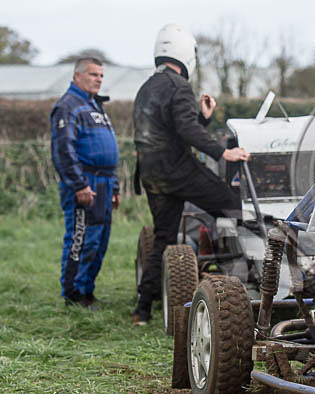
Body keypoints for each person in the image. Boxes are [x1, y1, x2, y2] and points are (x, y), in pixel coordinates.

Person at [131, 24, 250, 325]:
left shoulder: (146, 88)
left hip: (152, 177)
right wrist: (223, 152)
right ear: (186, 54)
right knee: (233, 205)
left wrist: (203, 119)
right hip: (179, 171)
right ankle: (248, 281)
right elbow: (186, 131)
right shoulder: (179, 86)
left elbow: (176, 129)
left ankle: (142, 310)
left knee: (163, 239)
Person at [50, 56, 120, 310]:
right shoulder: (68, 107)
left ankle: (87, 292)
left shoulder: (95, 106)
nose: (98, 79)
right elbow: (63, 151)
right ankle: (73, 295)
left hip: (105, 183)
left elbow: (109, 151)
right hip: (84, 183)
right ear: (77, 76)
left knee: (99, 241)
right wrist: (79, 185)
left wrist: (115, 187)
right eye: (93, 74)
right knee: (81, 239)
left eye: (101, 75)